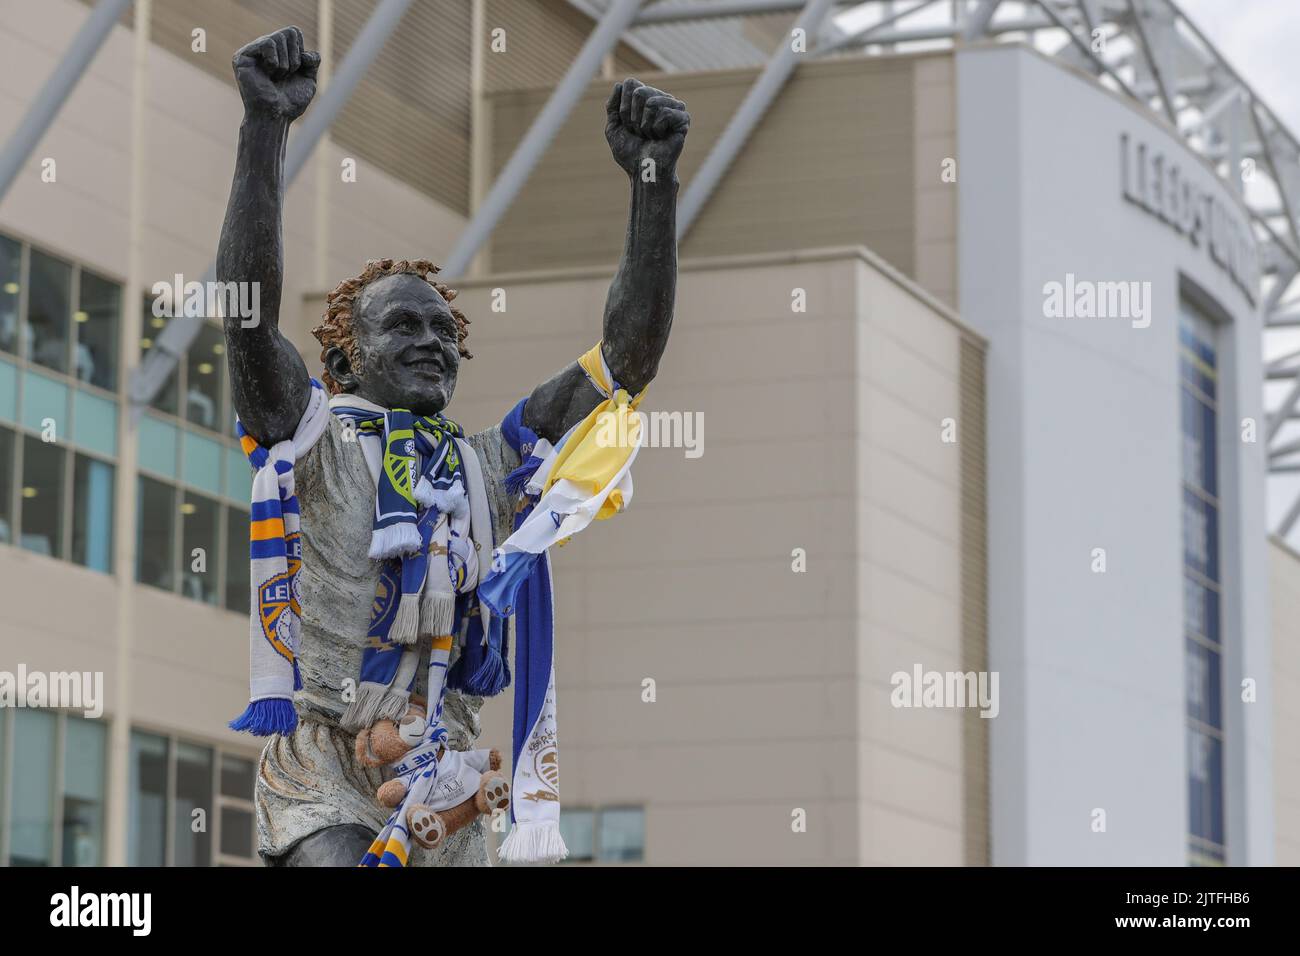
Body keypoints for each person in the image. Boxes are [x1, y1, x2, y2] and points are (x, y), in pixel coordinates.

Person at [215, 26, 689, 866]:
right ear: (341, 357)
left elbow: (625, 363)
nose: (432, 341)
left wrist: (653, 182)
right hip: (325, 768)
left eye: (445, 330)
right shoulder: (318, 436)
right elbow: (248, 320)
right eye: (402, 325)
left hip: (445, 775)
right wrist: (263, 129)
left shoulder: (488, 461)